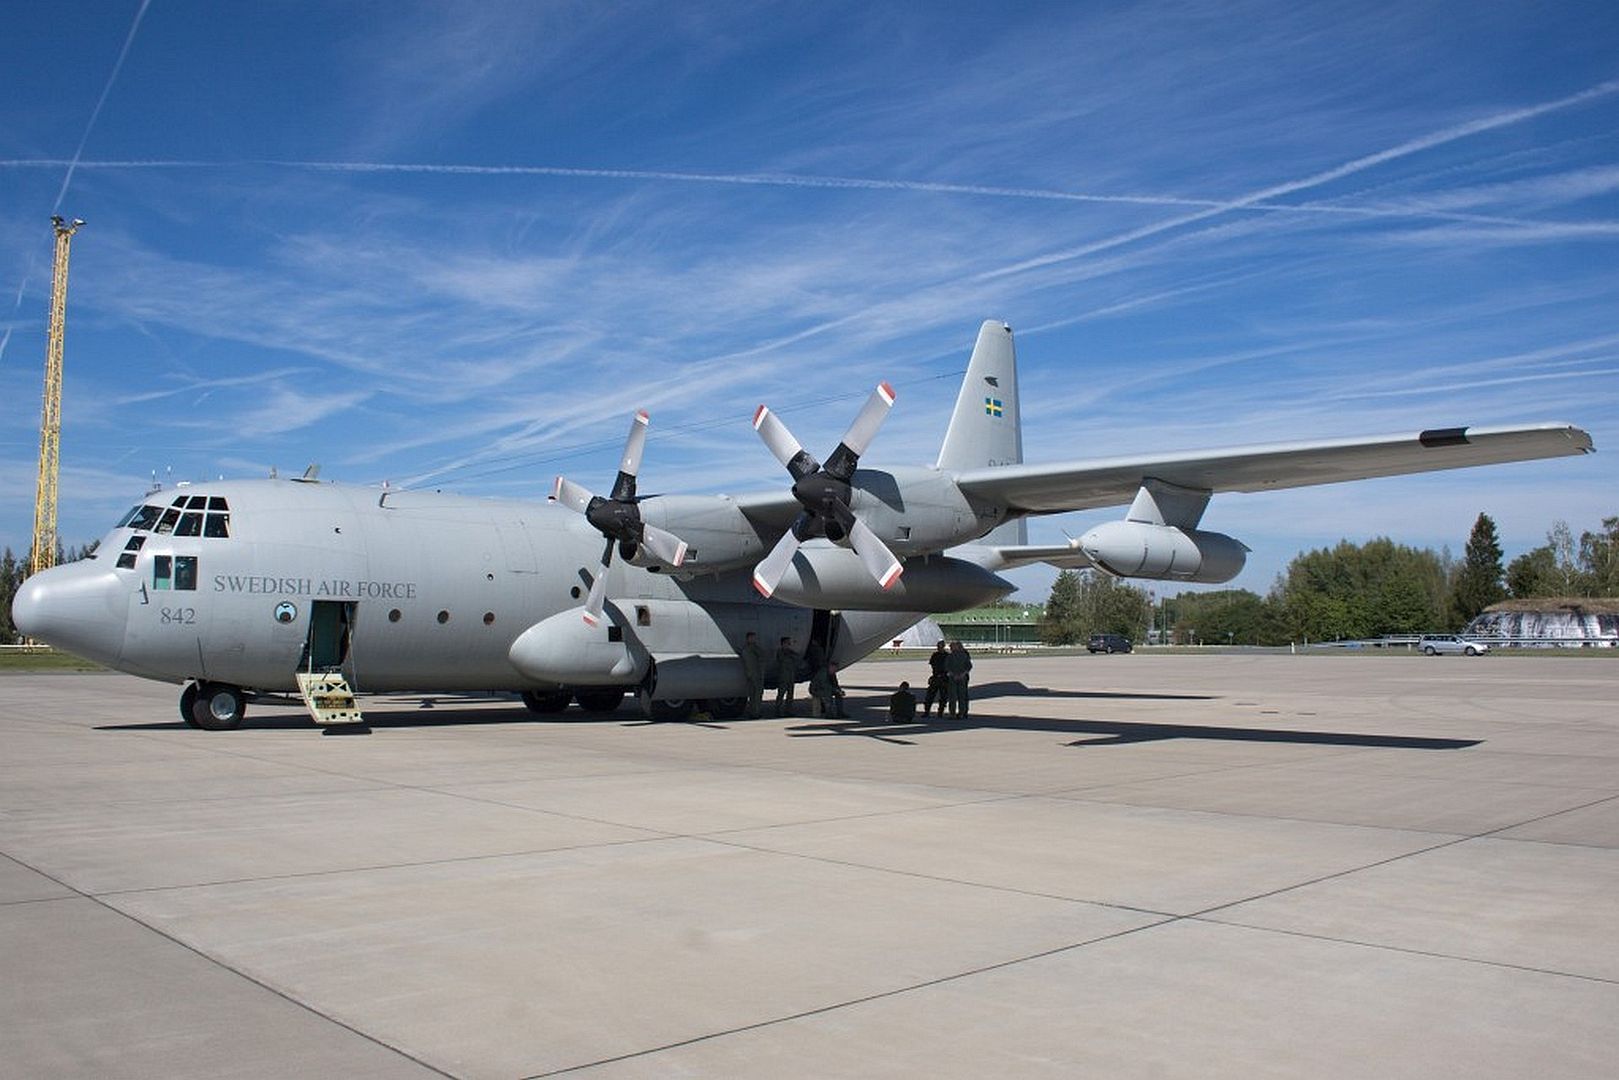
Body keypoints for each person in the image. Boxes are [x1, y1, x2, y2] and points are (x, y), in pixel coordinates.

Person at [740, 631, 769, 718]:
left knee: (752, 695)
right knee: (757, 694)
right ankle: (756, 712)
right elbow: (763, 656)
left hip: (749, 674)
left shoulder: (744, 648)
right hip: (756, 674)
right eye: (752, 637)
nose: (754, 639)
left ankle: (752, 712)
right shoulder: (754, 648)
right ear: (748, 638)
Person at [945, 640, 973, 719]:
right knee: (961, 696)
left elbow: (947, 667)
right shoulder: (964, 655)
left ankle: (954, 713)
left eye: (952, 646)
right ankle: (960, 713)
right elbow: (969, 666)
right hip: (961, 677)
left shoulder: (951, 656)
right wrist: (963, 674)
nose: (950, 648)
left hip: (954, 677)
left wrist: (953, 674)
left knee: (954, 696)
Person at [773, 636, 799, 717]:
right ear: (783, 644)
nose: (789, 644)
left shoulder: (790, 652)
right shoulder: (780, 652)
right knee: (781, 694)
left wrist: (791, 654)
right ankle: (778, 710)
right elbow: (782, 660)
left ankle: (789, 710)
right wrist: (789, 655)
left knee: (790, 695)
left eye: (789, 643)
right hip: (783, 676)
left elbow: (797, 657)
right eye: (787, 643)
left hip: (790, 676)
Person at [923, 640, 949, 717]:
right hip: (936, 677)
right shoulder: (935, 655)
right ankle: (927, 711)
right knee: (930, 696)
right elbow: (932, 665)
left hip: (944, 677)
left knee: (943, 696)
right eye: (938, 646)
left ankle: (940, 712)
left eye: (940, 646)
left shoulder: (947, 656)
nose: (939, 648)